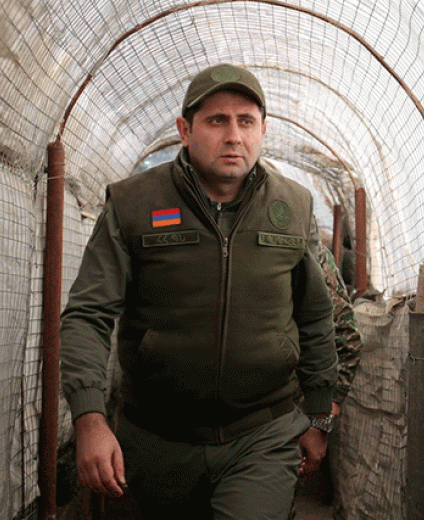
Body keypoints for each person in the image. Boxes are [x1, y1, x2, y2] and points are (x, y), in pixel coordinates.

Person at [59, 63, 338, 520]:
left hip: (262, 434)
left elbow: (315, 317)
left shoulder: (294, 206)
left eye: (246, 122)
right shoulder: (133, 205)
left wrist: (319, 415)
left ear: (263, 130)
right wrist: (89, 417)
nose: (234, 136)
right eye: (217, 121)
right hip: (154, 438)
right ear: (185, 130)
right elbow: (88, 315)